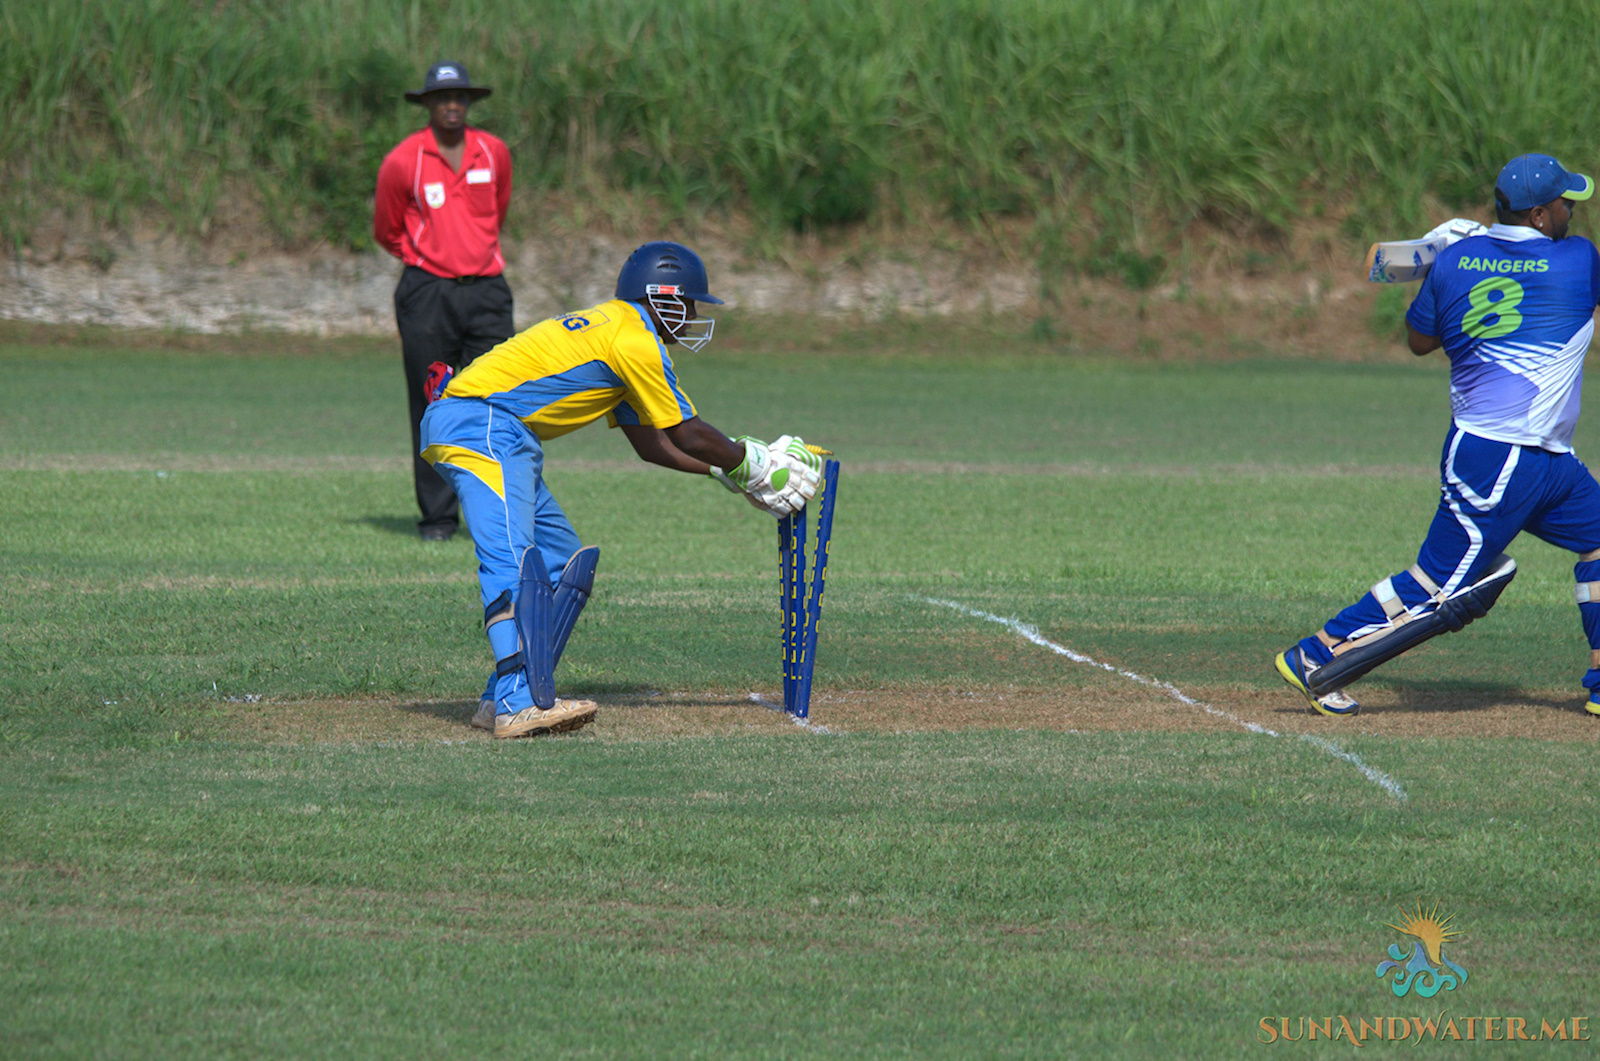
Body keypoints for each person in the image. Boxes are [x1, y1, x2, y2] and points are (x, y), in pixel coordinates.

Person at [419, 241, 824, 738]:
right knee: (512, 561)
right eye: (689, 301)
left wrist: (726, 474)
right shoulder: (634, 338)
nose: (694, 313)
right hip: (479, 423)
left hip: (505, 434)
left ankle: (498, 696)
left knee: (562, 563)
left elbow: (652, 445)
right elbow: (687, 432)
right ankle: (514, 703)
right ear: (660, 295)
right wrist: (755, 465)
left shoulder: (619, 330)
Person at [1276, 153, 1600, 718]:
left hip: (1545, 460)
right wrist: (1481, 255)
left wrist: (1455, 258)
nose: (1571, 211)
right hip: (1497, 459)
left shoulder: (1455, 261)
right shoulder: (1577, 260)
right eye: (1564, 204)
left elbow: (1419, 340)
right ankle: (1316, 654)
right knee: (1441, 587)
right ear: (1542, 217)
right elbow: (1543, 277)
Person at [374, 61, 514, 541]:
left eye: (460, 98)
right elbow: (387, 230)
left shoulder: (493, 152)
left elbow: (500, 209)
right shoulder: (403, 160)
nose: (452, 106)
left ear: (469, 103)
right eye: (442, 98)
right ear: (429, 104)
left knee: (498, 403)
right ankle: (437, 519)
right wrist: (428, 260)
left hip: (488, 293)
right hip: (428, 292)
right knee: (433, 403)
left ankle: (498, 516)